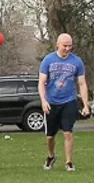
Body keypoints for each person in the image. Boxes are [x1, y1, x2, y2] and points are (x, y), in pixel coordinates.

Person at [38, 33, 89, 171]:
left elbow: (82, 83)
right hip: (51, 102)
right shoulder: (48, 60)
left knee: (68, 132)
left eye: (69, 46)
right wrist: (43, 100)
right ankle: (50, 156)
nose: (67, 48)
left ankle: (69, 161)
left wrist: (85, 104)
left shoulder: (77, 62)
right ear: (58, 44)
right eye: (64, 46)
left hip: (69, 101)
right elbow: (41, 82)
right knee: (50, 136)